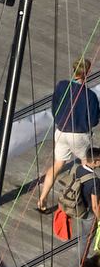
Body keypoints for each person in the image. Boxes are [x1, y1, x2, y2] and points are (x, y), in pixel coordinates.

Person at [39, 59, 99, 210]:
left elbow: (54, 108)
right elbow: (93, 121)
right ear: (88, 72)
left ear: (74, 70)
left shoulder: (61, 86)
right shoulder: (90, 96)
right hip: (79, 135)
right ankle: (82, 202)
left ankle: (42, 200)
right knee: (87, 166)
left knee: (57, 165)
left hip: (61, 131)